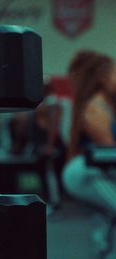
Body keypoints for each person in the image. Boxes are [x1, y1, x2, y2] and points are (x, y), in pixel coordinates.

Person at [62, 50, 116, 212]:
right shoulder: (95, 108)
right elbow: (109, 154)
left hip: (98, 170)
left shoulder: (109, 105)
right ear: (103, 78)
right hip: (88, 172)